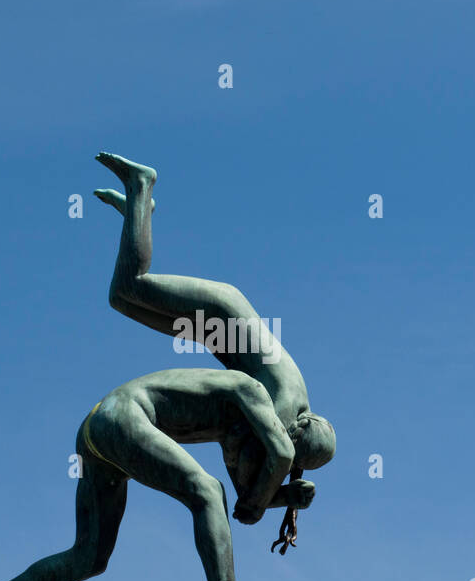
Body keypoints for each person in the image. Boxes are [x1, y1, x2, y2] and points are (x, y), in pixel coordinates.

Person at [91, 152, 335, 546]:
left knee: (121, 298)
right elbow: (277, 458)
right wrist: (264, 499)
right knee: (130, 286)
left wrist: (281, 498)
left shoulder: (278, 413)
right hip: (221, 312)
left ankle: (139, 212)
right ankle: (141, 185)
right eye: (295, 438)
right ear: (302, 423)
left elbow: (250, 468)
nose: (287, 436)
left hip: (210, 331)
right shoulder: (287, 402)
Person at [0, 368, 315, 581]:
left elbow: (242, 507)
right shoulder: (252, 390)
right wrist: (270, 489)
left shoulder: (237, 431)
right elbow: (281, 454)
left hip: (99, 430)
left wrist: (285, 497)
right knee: (207, 490)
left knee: (89, 557)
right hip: (124, 417)